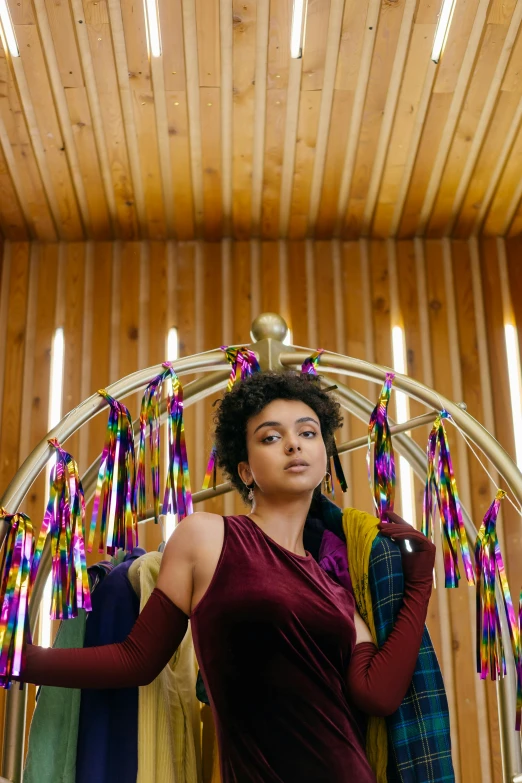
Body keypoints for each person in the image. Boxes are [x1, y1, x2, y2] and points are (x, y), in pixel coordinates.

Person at [20, 371, 435, 783]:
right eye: (271, 437)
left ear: (324, 455)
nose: (293, 443)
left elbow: (378, 695)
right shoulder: (207, 537)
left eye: (308, 433)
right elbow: (136, 660)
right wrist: (19, 659)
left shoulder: (339, 592)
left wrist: (418, 583)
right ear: (246, 470)